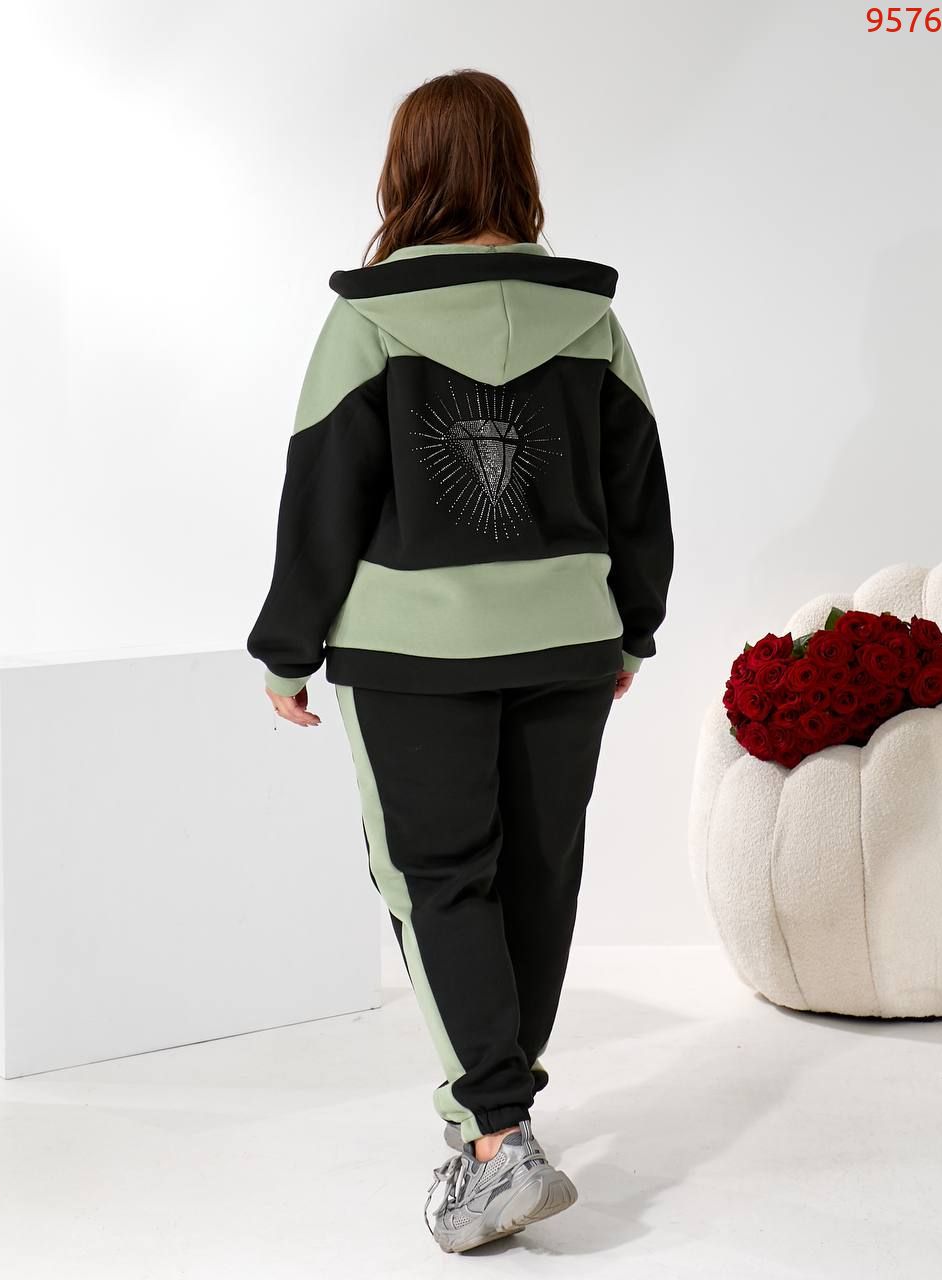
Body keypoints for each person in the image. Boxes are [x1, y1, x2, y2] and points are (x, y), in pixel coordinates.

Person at [246, 68, 674, 1253]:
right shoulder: (590, 319)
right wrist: (630, 624)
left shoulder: (368, 320)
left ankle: (496, 1138)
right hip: (568, 635)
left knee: (437, 877)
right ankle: (499, 1119)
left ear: (410, 170)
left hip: (411, 648)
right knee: (537, 874)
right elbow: (639, 487)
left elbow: (324, 493)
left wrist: (287, 647)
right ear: (516, 166)